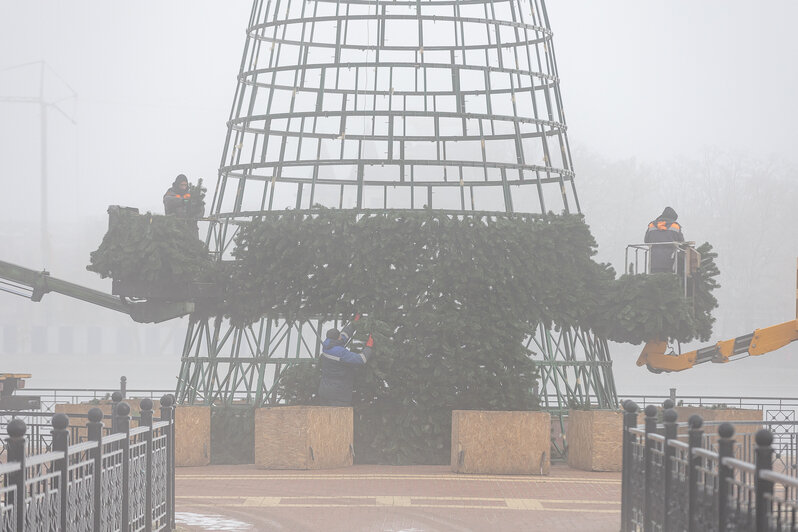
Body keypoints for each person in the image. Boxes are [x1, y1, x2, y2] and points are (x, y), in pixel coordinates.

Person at [318, 319, 374, 407]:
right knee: (338, 418)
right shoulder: (340, 353)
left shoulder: (327, 345)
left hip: (325, 390)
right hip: (338, 393)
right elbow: (361, 359)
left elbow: (343, 337)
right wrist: (369, 347)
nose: (341, 336)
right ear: (337, 338)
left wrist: (353, 324)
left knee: (326, 417)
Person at [644, 206, 684, 274]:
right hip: (670, 262)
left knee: (654, 280)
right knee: (669, 281)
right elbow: (682, 243)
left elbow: (646, 240)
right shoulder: (675, 226)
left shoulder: (651, 225)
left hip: (654, 262)